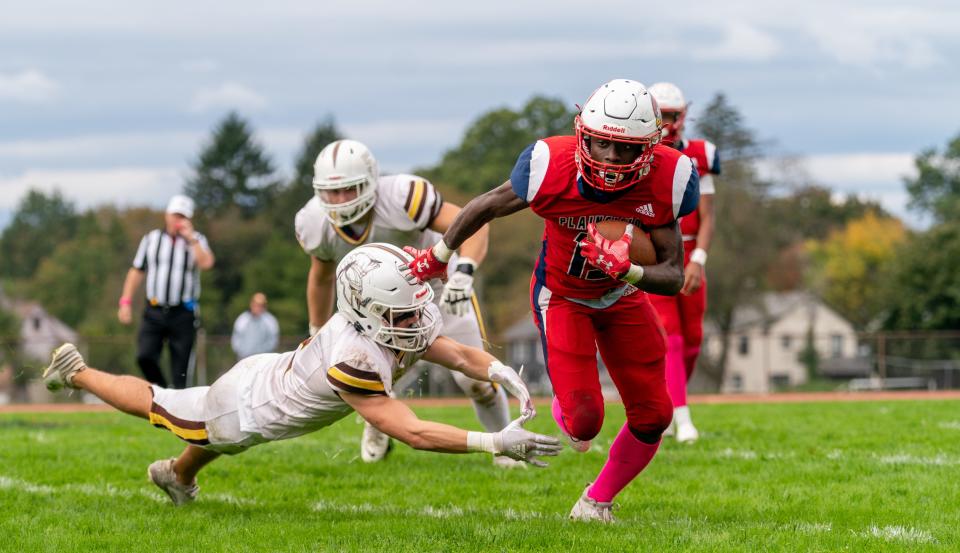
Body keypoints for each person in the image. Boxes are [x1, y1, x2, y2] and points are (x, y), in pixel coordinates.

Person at [42, 243, 558, 507]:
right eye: (401, 314)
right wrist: (494, 442)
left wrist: (503, 374)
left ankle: (177, 477)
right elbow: (411, 430)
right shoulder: (354, 357)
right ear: (369, 312)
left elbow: (455, 352)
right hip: (246, 408)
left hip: (265, 375)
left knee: (202, 431)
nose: (415, 320)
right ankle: (80, 373)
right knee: (161, 403)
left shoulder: (381, 316)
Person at [406, 79, 699, 522]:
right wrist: (437, 256)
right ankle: (567, 400)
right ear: (583, 133)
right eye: (602, 144)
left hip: (620, 295)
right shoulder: (550, 164)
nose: (611, 159)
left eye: (626, 149)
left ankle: (595, 502)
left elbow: (674, 275)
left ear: (652, 146)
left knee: (655, 414)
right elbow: (485, 206)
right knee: (584, 422)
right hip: (561, 296)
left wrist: (628, 270)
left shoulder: (668, 178)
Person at [295, 139, 517, 466]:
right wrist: (316, 328)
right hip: (371, 304)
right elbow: (322, 276)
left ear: (370, 182)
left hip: (432, 287)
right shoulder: (313, 222)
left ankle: (507, 447)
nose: (340, 201)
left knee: (474, 379)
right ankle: (378, 423)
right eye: (332, 192)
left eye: (349, 189)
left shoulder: (403, 197)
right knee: (361, 373)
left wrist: (464, 272)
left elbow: (471, 224)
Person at [646, 82, 721, 444]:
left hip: (690, 251)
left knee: (692, 340)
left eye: (673, 115)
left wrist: (700, 260)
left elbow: (707, 216)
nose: (668, 124)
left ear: (684, 114)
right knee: (670, 338)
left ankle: (674, 403)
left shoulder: (699, 154)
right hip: (656, 253)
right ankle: (683, 417)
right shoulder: (638, 153)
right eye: (662, 116)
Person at [118, 195, 215, 389]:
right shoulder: (151, 239)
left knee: (181, 370)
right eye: (175, 215)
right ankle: (161, 393)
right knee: (144, 356)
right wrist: (125, 302)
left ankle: (178, 410)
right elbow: (137, 270)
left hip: (183, 312)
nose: (178, 220)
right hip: (154, 309)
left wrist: (192, 239)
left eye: (182, 216)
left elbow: (206, 263)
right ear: (167, 215)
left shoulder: (197, 240)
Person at [231, 292, 279, 360]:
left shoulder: (270, 321)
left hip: (263, 359)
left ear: (265, 306)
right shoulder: (242, 319)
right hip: (244, 358)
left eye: (260, 305)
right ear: (251, 304)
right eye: (256, 304)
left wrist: (264, 354)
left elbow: (273, 340)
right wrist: (241, 352)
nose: (257, 307)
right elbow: (236, 338)